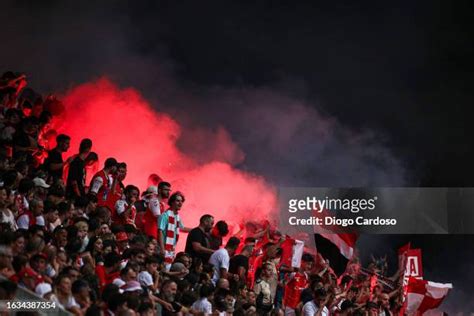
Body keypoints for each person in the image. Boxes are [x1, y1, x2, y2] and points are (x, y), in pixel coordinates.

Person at [157, 191, 191, 269]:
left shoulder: (177, 217)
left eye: (181, 201)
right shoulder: (165, 215)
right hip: (164, 249)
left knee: (168, 268)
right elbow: (160, 232)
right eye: (178, 201)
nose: (180, 203)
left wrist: (197, 230)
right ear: (172, 202)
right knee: (163, 269)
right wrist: (162, 249)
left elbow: (182, 228)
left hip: (171, 249)